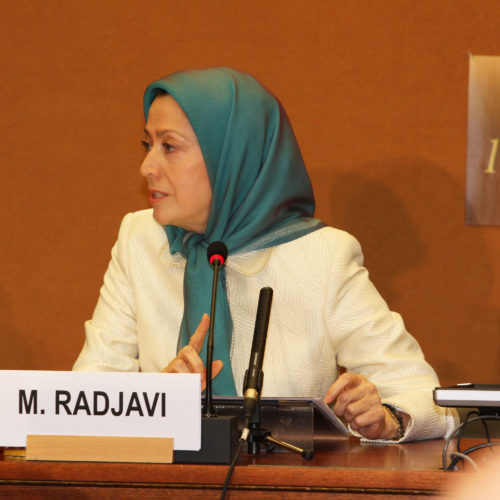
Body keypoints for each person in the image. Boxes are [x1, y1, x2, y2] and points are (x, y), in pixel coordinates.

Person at [73, 67, 457, 442]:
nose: (147, 167)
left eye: (169, 146)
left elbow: (431, 403)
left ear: (233, 157)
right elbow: (85, 396)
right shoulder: (139, 239)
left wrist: (387, 417)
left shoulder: (323, 256)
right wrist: (158, 400)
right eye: (148, 145)